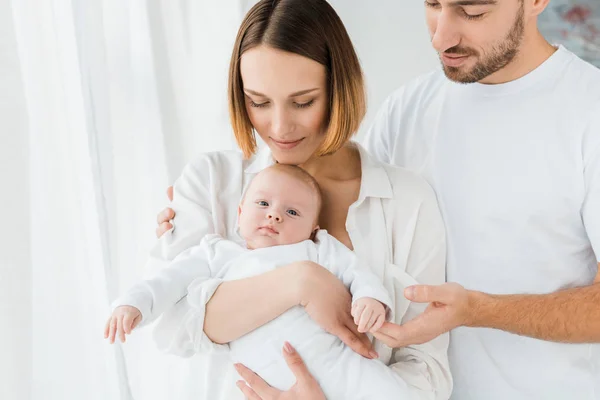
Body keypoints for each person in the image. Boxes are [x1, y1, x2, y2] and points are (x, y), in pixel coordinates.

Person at [147, 0, 452, 399]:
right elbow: (171, 327)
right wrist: (302, 280)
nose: (279, 126)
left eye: (303, 101)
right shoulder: (210, 181)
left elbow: (426, 370)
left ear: (340, 87)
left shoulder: (407, 202)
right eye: (258, 101)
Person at [358, 0, 600, 399]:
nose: (441, 37)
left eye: (472, 12)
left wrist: (479, 311)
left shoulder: (589, 111)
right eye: (433, 4)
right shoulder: (404, 112)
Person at [107, 164, 421, 399]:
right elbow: (168, 281)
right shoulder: (217, 252)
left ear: (313, 228)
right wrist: (133, 302)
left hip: (341, 365)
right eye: (262, 204)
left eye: (293, 211)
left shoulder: (317, 248)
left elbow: (357, 274)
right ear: (240, 212)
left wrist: (370, 299)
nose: (274, 216)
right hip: (274, 386)